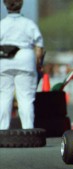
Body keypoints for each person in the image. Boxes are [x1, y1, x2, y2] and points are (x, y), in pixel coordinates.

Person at [0, 0, 45, 129]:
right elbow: (39, 47)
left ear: (5, 5)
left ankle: (2, 130)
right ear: (21, 5)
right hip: (25, 59)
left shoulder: (2, 24)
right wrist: (37, 64)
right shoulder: (29, 24)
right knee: (25, 98)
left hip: (4, 60)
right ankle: (28, 129)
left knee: (4, 96)